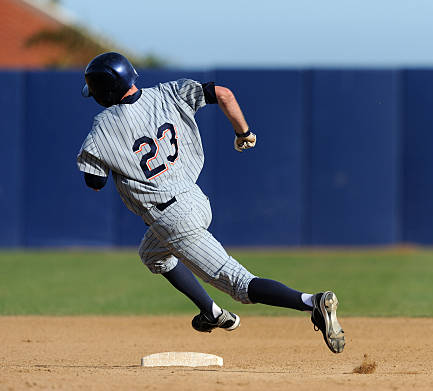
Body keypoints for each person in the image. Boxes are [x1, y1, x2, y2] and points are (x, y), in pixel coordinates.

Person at [76, 52, 345, 354]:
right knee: (153, 255)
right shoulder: (168, 92)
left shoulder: (102, 126)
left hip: (173, 219)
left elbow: (94, 182)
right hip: (195, 200)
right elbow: (224, 94)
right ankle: (212, 313)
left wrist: (120, 161)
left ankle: (312, 302)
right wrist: (244, 133)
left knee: (240, 285)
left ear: (103, 92)